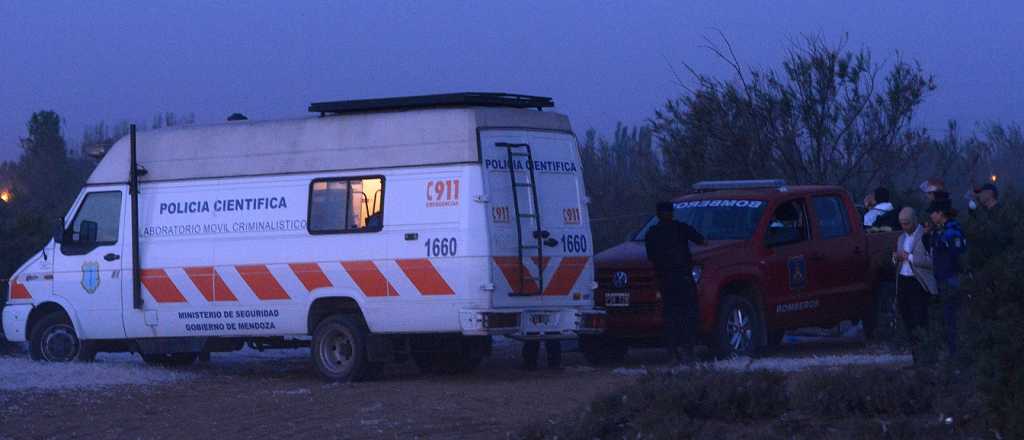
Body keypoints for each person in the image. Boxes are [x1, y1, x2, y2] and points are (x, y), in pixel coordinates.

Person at [645, 201, 707, 363]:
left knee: (671, 317)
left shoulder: (652, 233)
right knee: (689, 315)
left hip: (666, 281)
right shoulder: (680, 228)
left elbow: (651, 256)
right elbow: (701, 240)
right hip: (683, 279)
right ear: (672, 213)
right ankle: (688, 351)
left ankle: (673, 353)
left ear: (658, 214)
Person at [926, 198, 967, 357]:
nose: (931, 216)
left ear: (940, 213)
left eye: (933, 213)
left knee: (953, 319)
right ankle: (951, 352)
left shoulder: (952, 231)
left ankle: (956, 354)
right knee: (946, 318)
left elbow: (957, 255)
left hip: (951, 279)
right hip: (942, 279)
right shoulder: (939, 231)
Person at [894, 207, 936, 353]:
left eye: (906, 223)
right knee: (907, 320)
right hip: (903, 281)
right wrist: (896, 257)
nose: (904, 227)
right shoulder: (901, 238)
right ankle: (916, 356)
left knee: (920, 320)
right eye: (901, 223)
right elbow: (897, 260)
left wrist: (909, 257)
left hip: (918, 283)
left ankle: (925, 356)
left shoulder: (925, 235)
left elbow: (931, 261)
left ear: (914, 221)